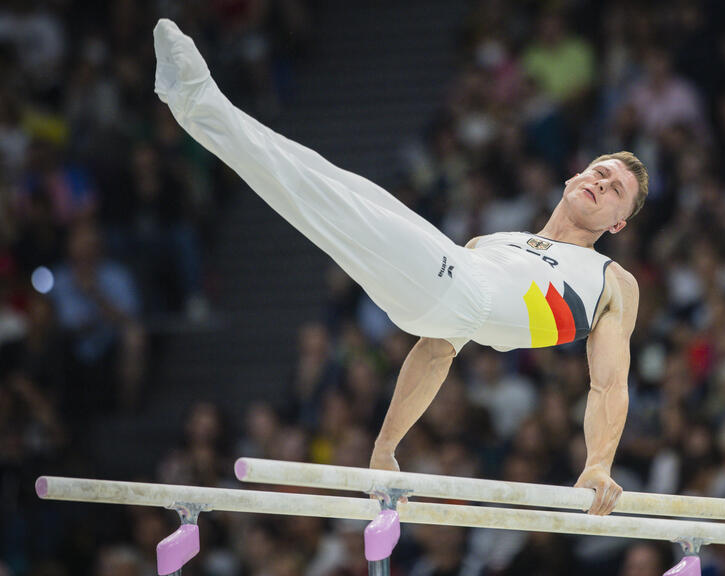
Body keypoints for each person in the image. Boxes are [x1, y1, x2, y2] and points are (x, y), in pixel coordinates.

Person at [153, 19, 646, 515]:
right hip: (439, 287)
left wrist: (598, 463)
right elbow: (435, 350)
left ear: (619, 224)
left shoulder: (610, 280)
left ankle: (198, 101)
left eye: (615, 190)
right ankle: (202, 105)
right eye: (599, 172)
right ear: (573, 176)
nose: (602, 184)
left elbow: (608, 382)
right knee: (325, 180)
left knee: (321, 193)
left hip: (452, 290)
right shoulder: (496, 239)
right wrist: (385, 448)